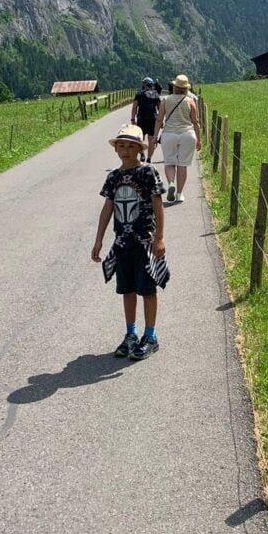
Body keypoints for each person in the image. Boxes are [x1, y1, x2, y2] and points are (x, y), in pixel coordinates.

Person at [91, 124, 166, 361]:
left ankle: (150, 336)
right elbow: (108, 208)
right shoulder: (113, 177)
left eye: (130, 146)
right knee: (127, 290)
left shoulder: (147, 172)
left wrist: (159, 238)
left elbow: (157, 204)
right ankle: (131, 333)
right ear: (115, 150)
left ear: (139, 148)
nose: (125, 150)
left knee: (147, 289)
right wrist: (99, 240)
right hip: (122, 243)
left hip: (144, 241)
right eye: (121, 146)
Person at [155, 73, 201, 204]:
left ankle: (170, 183)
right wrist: (199, 139)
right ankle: (180, 193)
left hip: (169, 134)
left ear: (174, 86)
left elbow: (159, 120)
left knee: (169, 162)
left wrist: (155, 137)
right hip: (187, 134)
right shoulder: (191, 101)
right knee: (182, 165)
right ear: (186, 88)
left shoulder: (165, 100)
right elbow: (195, 121)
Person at [130, 78, 161, 163]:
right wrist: (160, 121)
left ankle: (142, 153)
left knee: (139, 138)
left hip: (141, 119)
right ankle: (149, 158)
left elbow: (134, 108)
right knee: (151, 139)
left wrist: (133, 119)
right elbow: (160, 109)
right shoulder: (156, 94)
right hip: (153, 119)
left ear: (144, 85)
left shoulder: (139, 94)